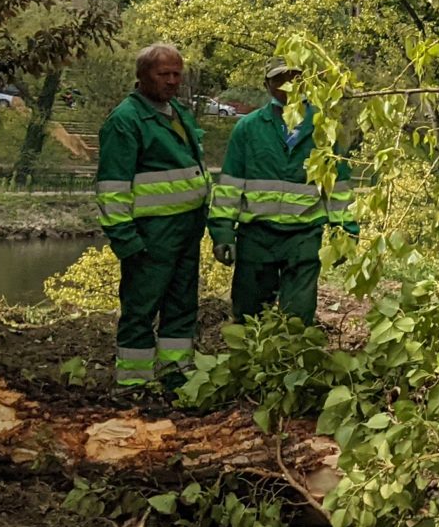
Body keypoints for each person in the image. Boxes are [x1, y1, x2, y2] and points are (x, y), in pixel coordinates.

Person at [95, 42, 210, 390]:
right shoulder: (126, 120)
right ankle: (133, 383)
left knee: (181, 304)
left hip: (186, 231)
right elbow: (112, 188)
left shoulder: (175, 112)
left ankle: (176, 373)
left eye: (177, 74)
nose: (173, 81)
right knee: (141, 309)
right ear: (143, 75)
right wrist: (126, 239)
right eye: (164, 74)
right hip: (149, 235)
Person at [209, 61, 354, 324]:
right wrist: (222, 233)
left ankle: (291, 362)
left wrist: (343, 234)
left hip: (304, 235)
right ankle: (250, 365)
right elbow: (229, 186)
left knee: (298, 316)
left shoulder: (323, 130)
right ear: (267, 85)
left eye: (295, 78)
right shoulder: (249, 129)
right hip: (256, 236)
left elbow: (339, 188)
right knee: (249, 315)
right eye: (280, 79)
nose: (288, 85)